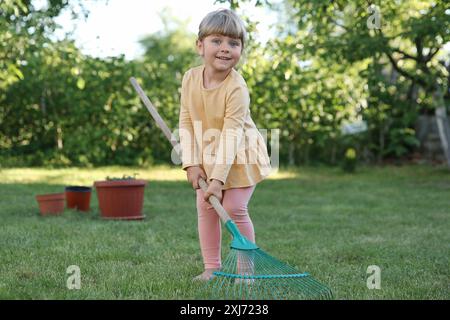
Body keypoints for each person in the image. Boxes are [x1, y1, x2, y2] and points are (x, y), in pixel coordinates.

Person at [178, 8, 271, 281]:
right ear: (200, 46)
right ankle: (211, 267)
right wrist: (191, 163)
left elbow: (232, 136)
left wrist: (218, 180)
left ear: (241, 48)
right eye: (216, 41)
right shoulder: (190, 79)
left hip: (241, 157)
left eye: (233, 43)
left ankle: (245, 273)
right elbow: (185, 122)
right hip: (208, 156)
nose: (225, 48)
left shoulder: (236, 88)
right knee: (205, 208)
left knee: (234, 209)